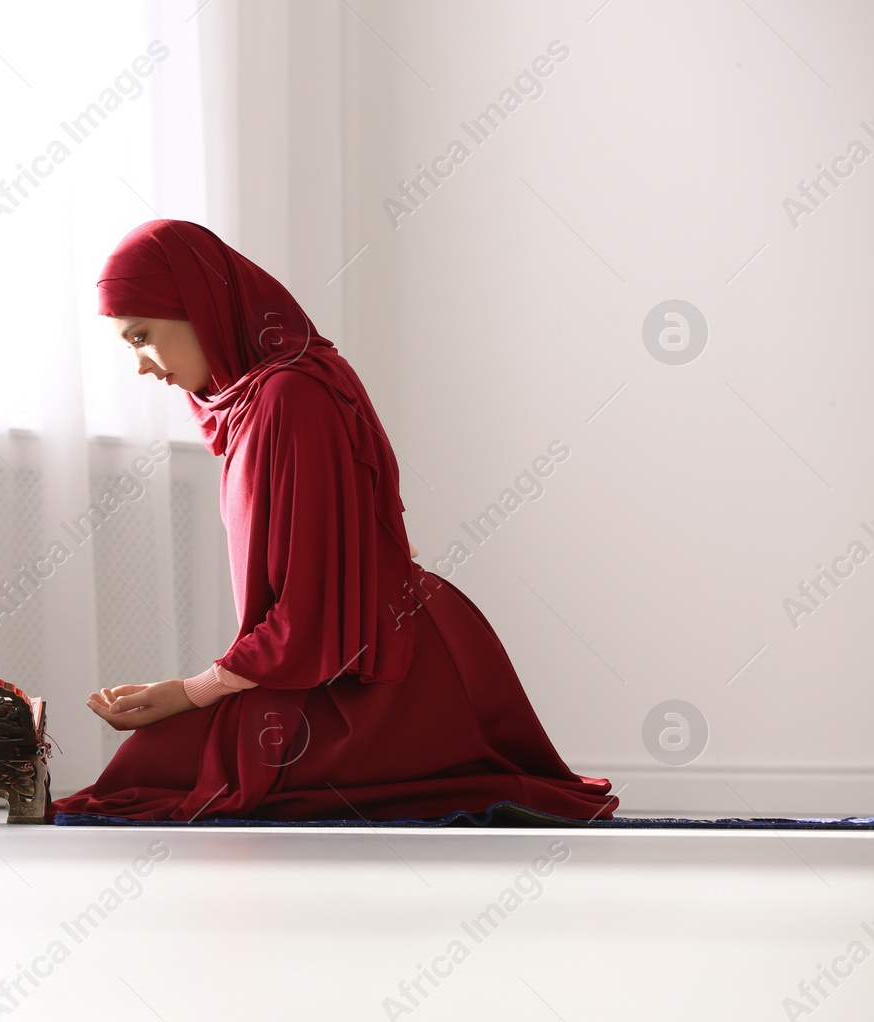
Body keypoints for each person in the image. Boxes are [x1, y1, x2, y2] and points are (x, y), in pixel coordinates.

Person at [51, 219, 616, 824]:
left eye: (142, 336)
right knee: (153, 773)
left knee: (161, 780)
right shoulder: (260, 400)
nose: (139, 365)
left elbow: (310, 610)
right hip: (342, 651)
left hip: (380, 671)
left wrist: (192, 691)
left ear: (199, 307)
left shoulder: (291, 398)